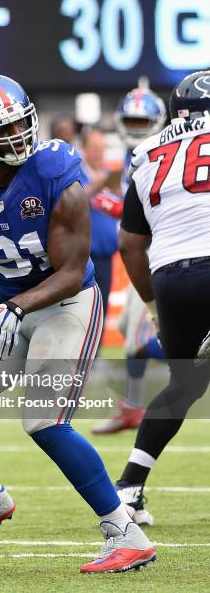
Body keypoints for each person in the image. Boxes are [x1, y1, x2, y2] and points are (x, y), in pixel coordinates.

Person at [0, 74, 156, 574]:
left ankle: (125, 532)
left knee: (43, 419)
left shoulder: (56, 169)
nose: (18, 137)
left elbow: (73, 271)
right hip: (11, 305)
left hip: (67, 302)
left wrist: (18, 307)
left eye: (20, 123)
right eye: (4, 129)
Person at [116, 70, 210, 525]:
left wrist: (153, 304)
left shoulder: (147, 154)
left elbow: (131, 245)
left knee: (185, 385)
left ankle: (129, 488)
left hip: (173, 275)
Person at [92, 87, 167, 435]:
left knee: (140, 341)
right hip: (151, 255)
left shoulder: (159, 153)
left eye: (142, 121)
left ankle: (132, 407)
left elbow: (160, 207)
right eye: (131, 121)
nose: (137, 128)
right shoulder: (129, 155)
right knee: (127, 334)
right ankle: (132, 408)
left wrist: (121, 208)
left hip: (165, 253)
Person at [81, 129, 119, 319]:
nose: (98, 153)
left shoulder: (110, 174)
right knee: (85, 312)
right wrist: (98, 184)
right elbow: (75, 201)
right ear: (84, 149)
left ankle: (99, 350)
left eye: (101, 148)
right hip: (84, 257)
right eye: (94, 148)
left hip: (107, 255)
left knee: (102, 310)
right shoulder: (76, 173)